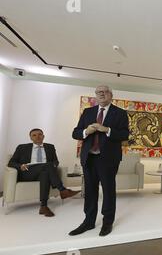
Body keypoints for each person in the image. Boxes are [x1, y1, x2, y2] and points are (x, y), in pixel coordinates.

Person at [70, 85, 129, 237]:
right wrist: (86, 131)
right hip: (89, 157)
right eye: (98, 92)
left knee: (108, 191)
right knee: (90, 191)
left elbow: (124, 135)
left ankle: (107, 222)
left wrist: (106, 129)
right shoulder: (88, 112)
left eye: (104, 92)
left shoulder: (120, 113)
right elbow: (75, 133)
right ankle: (88, 221)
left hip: (108, 159)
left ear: (111, 95)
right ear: (95, 96)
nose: (101, 94)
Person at [7, 129, 80, 217]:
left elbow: (56, 162)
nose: (37, 137)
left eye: (40, 134)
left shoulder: (50, 147)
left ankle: (43, 206)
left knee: (45, 173)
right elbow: (11, 162)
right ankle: (62, 190)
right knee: (47, 166)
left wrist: (52, 166)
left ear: (43, 136)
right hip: (28, 172)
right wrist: (20, 166)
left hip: (43, 171)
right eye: (34, 135)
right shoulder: (22, 147)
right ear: (30, 138)